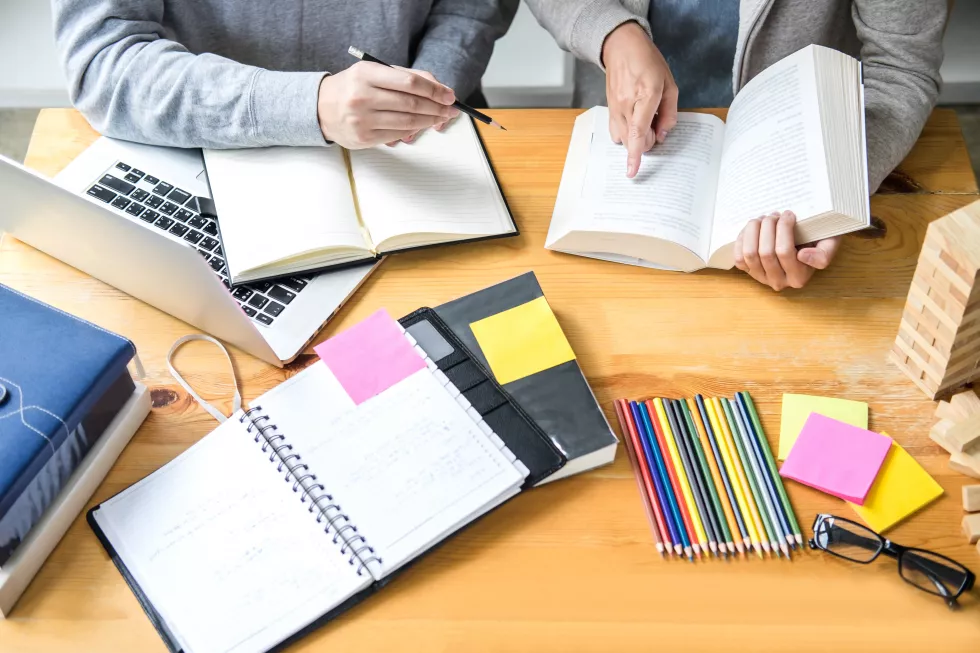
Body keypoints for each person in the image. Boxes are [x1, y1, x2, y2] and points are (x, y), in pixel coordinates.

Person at [523, 0, 946, 291]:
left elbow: (900, 67)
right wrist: (611, 33)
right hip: (620, 146)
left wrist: (835, 193)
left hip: (796, 150)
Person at [51, 0, 518, 150]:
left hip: (421, 143)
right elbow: (103, 62)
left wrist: (427, 82)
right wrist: (307, 105)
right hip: (196, 147)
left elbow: (472, 7)